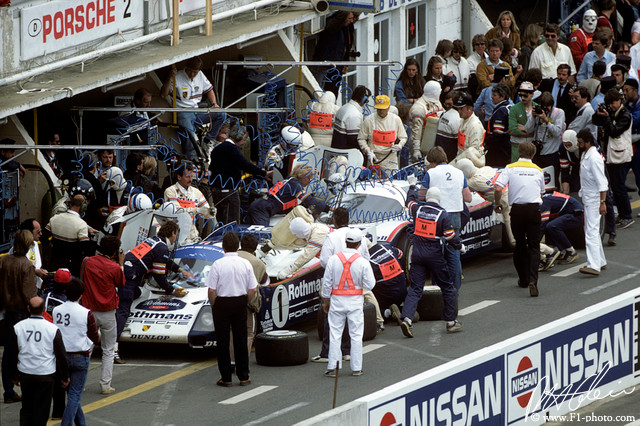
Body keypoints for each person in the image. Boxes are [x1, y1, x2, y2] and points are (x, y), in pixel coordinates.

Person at [117, 221, 194, 361]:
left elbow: (163, 261)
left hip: (128, 272)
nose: (176, 237)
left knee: (138, 293)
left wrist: (180, 269)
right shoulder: (162, 248)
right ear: (172, 233)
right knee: (123, 310)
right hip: (129, 276)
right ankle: (113, 349)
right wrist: (171, 291)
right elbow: (159, 276)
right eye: (176, 234)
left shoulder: (154, 240)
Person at [399, 187, 462, 337]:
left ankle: (407, 319)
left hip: (417, 254)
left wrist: (412, 188)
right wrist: (460, 246)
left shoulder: (418, 209)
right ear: (439, 199)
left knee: (415, 288)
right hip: (434, 256)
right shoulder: (443, 214)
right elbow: (449, 237)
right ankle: (451, 322)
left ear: (427, 197)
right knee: (447, 287)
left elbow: (409, 202)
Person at [321, 228, 375, 377]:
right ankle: (356, 368)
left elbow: (326, 284)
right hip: (355, 302)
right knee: (356, 335)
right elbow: (370, 285)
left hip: (337, 301)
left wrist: (326, 300)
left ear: (346, 242)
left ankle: (333, 366)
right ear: (359, 244)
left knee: (335, 334)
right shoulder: (363, 262)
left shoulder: (333, 259)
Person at [319, 207, 383, 332]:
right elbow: (366, 258)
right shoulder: (359, 236)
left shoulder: (331, 237)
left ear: (334, 220)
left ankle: (332, 324)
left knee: (324, 292)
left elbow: (324, 262)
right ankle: (379, 322)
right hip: (356, 278)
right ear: (348, 219)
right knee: (368, 294)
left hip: (338, 282)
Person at [494, 142, 545, 297]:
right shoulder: (538, 170)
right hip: (533, 209)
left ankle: (523, 279)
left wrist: (497, 203)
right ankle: (533, 281)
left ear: (518, 153)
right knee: (535, 246)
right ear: (533, 154)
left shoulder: (510, 167)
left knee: (520, 244)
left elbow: (497, 187)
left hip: (517, 209)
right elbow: (541, 191)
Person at [206, 232, 257, 386]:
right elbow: (253, 289)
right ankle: (244, 376)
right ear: (238, 247)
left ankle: (226, 377)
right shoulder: (245, 264)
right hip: (240, 301)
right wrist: (244, 301)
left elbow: (211, 291)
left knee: (223, 341)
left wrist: (215, 305)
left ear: (223, 247)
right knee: (241, 339)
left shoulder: (218, 264)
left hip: (222, 303)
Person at [9, 297, 69, 425]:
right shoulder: (52, 329)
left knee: (26, 408)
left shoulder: (18, 327)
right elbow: (61, 355)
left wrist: (13, 375)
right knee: (42, 409)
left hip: (25, 372)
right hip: (45, 373)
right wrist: (64, 376)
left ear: (28, 309)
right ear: (44, 309)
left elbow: (12, 353)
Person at [422, 146, 472, 295]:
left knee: (437, 255)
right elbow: (468, 198)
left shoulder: (431, 173)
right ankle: (454, 291)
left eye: (429, 163)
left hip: (436, 218)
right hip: (455, 217)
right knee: (453, 253)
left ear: (433, 162)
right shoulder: (459, 172)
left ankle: (438, 291)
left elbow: (422, 195)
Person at [80, 235, 124, 394]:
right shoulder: (114, 267)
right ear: (114, 251)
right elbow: (121, 283)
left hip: (89, 310)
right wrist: (120, 264)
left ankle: (80, 383)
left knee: (86, 348)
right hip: (108, 312)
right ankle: (105, 385)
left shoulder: (87, 261)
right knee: (108, 349)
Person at [160, 57, 226, 161]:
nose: (192, 74)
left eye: (195, 72)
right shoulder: (177, 76)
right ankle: (189, 161)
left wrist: (214, 104)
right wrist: (169, 78)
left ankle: (208, 141)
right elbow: (163, 95)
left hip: (197, 111)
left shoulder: (200, 75)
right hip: (183, 111)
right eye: (190, 71)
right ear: (186, 67)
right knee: (190, 138)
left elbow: (209, 90)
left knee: (221, 113)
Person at [53, 278, 99, 426]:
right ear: (81, 294)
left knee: (71, 393)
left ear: (66, 292)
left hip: (61, 357)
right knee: (74, 395)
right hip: (80, 355)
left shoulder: (56, 310)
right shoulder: (86, 312)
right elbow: (94, 336)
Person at [0, 230, 37, 404]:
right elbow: (29, 294)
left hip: (8, 312)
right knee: (26, 352)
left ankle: (8, 389)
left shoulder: (4, 261)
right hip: (22, 313)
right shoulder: (27, 265)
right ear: (28, 245)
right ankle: (25, 385)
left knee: (8, 351)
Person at [209, 123, 272, 224]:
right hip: (229, 193)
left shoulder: (217, 148)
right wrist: (263, 173)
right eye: (244, 139)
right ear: (237, 137)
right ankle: (230, 239)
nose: (244, 143)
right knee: (231, 223)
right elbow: (245, 165)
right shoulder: (232, 149)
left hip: (216, 192)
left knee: (221, 221)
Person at [592, 88, 634, 229]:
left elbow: (614, 131)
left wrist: (608, 118)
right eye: (609, 104)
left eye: (613, 103)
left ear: (619, 101)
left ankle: (627, 216)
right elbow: (595, 121)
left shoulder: (625, 115)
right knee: (615, 187)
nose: (611, 106)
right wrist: (599, 114)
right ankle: (622, 215)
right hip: (611, 155)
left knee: (619, 187)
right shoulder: (611, 112)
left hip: (621, 156)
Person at [247, 163, 330, 226]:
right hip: (261, 210)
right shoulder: (295, 185)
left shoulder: (290, 181)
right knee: (262, 236)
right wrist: (329, 208)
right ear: (302, 176)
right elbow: (309, 201)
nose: (309, 181)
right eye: (308, 178)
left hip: (259, 206)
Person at [456, 158, 515, 245]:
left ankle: (542, 250)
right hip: (514, 197)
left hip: (507, 204)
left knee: (515, 241)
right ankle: (541, 255)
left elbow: (461, 190)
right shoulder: (486, 168)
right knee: (521, 236)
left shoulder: (474, 181)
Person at [576, 129, 609, 275]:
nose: (578, 144)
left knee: (591, 231)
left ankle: (593, 265)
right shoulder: (586, 155)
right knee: (592, 230)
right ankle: (600, 261)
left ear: (588, 142)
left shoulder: (594, 158)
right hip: (589, 197)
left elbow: (602, 182)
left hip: (594, 198)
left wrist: (603, 202)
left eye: (580, 142)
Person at [164, 162, 215, 242]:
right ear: (179, 177)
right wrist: (197, 210)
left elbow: (207, 212)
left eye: (192, 177)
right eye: (187, 177)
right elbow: (178, 212)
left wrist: (210, 211)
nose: (190, 180)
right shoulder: (170, 191)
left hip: (192, 237)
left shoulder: (196, 192)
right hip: (175, 238)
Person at [46, 194, 96, 276]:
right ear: (82, 207)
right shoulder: (81, 224)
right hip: (72, 265)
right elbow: (85, 248)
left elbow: (43, 237)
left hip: (55, 260)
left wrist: (51, 244)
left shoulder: (55, 218)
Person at [311, 11, 358, 96]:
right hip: (325, 64)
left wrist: (345, 62)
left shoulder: (346, 28)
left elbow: (347, 46)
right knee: (319, 89)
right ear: (343, 19)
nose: (351, 21)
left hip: (336, 66)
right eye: (350, 19)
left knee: (331, 91)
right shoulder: (334, 28)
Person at [357, 95, 408, 172]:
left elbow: (403, 137)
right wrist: (367, 151)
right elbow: (361, 138)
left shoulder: (396, 120)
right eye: (379, 109)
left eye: (383, 109)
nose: (381, 111)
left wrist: (400, 145)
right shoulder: (369, 120)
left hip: (390, 159)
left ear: (388, 107)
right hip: (374, 158)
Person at [524, 91, 565, 185]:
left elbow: (557, 132)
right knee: (536, 182)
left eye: (548, 107)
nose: (545, 110)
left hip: (551, 154)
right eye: (543, 107)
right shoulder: (536, 111)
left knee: (552, 183)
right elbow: (527, 129)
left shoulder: (558, 113)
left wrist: (546, 121)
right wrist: (533, 117)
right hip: (537, 153)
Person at [538, 192, 584, 271]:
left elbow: (542, 225)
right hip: (571, 211)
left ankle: (571, 252)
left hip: (576, 213)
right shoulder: (544, 198)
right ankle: (554, 250)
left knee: (552, 226)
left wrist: (535, 242)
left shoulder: (544, 203)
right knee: (549, 224)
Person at [409, 81, 443, 162]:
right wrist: (416, 150)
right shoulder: (418, 108)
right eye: (439, 91)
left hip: (432, 142)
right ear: (434, 93)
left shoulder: (436, 103)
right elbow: (416, 131)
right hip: (421, 144)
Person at [10, 218, 48, 289]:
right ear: (29, 232)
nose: (41, 233)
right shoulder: (15, 250)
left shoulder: (35, 245)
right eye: (38, 231)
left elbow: (35, 264)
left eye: (41, 231)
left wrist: (41, 270)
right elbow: (17, 271)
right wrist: (35, 272)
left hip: (34, 285)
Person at [331, 85, 370, 149]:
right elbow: (354, 139)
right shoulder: (355, 114)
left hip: (336, 147)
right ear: (364, 99)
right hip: (346, 151)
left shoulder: (343, 107)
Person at [454, 92, 486, 167]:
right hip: (461, 159)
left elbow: (473, 152)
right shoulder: (462, 120)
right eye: (458, 108)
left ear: (470, 109)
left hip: (471, 164)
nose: (458, 111)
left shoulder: (475, 126)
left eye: (461, 109)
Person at [485, 83, 513, 167]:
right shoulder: (508, 107)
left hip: (499, 151)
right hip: (506, 148)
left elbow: (497, 134)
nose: (491, 97)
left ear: (502, 97)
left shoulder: (501, 111)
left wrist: (486, 142)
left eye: (494, 95)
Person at [509, 81, 537, 162]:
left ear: (532, 94)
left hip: (531, 147)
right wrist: (528, 133)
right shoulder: (514, 109)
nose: (522, 98)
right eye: (520, 95)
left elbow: (538, 129)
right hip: (517, 146)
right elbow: (512, 130)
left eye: (525, 95)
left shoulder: (537, 107)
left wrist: (521, 127)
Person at [622, 78, 640, 204]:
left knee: (639, 177)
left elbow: (634, 120)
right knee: (620, 177)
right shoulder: (625, 104)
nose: (624, 93)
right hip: (626, 145)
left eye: (627, 90)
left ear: (635, 90)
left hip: (638, 146)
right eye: (623, 90)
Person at [435, 91, 462, 162]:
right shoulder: (455, 118)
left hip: (442, 155)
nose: (447, 106)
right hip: (448, 157)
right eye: (446, 104)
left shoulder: (444, 115)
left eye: (450, 104)